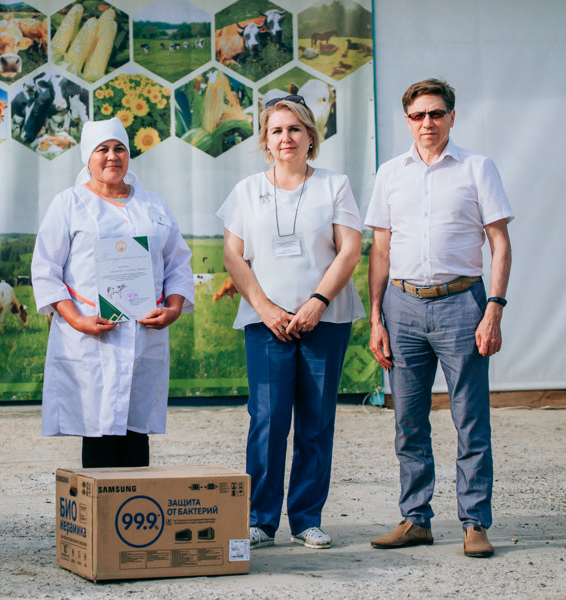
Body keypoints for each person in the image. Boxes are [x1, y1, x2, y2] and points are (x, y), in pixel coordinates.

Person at [366, 79, 513, 558]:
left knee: (470, 420)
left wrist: (494, 307)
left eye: (435, 113)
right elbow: (381, 250)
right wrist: (376, 318)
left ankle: (474, 523)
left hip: (461, 304)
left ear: (452, 116)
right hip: (402, 306)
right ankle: (416, 519)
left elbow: (500, 244)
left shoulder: (476, 168)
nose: (426, 123)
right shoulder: (390, 173)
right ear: (406, 119)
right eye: (417, 115)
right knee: (408, 422)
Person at [217, 95, 364, 550]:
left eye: (295, 128)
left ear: (311, 137)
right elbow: (233, 256)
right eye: (277, 130)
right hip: (267, 325)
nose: (286, 137)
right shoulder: (245, 191)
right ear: (265, 139)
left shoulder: (334, 186)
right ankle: (260, 520)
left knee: (316, 422)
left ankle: (306, 519)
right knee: (267, 420)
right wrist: (264, 307)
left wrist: (318, 301)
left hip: (326, 319)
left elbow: (350, 249)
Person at [31, 118, 194, 468]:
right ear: (87, 157)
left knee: (136, 432)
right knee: (99, 431)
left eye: (119, 148)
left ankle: (135, 517)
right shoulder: (69, 204)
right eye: (101, 149)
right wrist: (75, 319)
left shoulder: (153, 205)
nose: (112, 156)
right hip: (93, 335)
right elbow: (46, 269)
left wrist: (174, 307)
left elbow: (178, 262)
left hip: (143, 334)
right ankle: (100, 519)